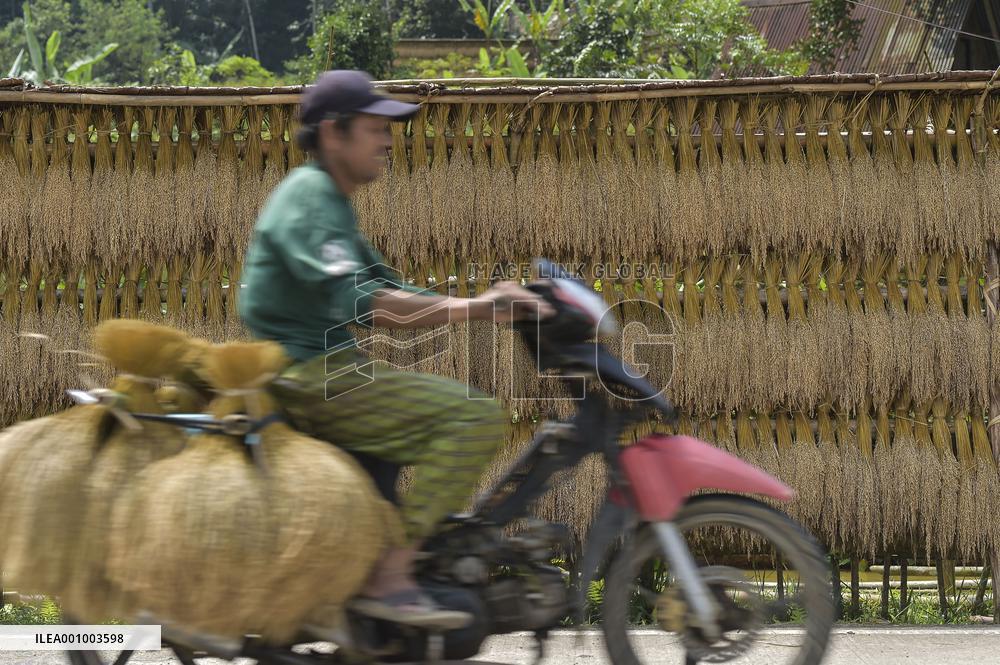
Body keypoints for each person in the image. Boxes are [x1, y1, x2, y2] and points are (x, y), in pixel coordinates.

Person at [239, 70, 553, 629]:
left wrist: (494, 299)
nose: (388, 140)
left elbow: (395, 291)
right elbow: (371, 307)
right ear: (334, 134)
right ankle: (391, 576)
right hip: (309, 375)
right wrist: (475, 308)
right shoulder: (311, 198)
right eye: (374, 127)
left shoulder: (333, 204)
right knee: (473, 415)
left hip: (331, 369)